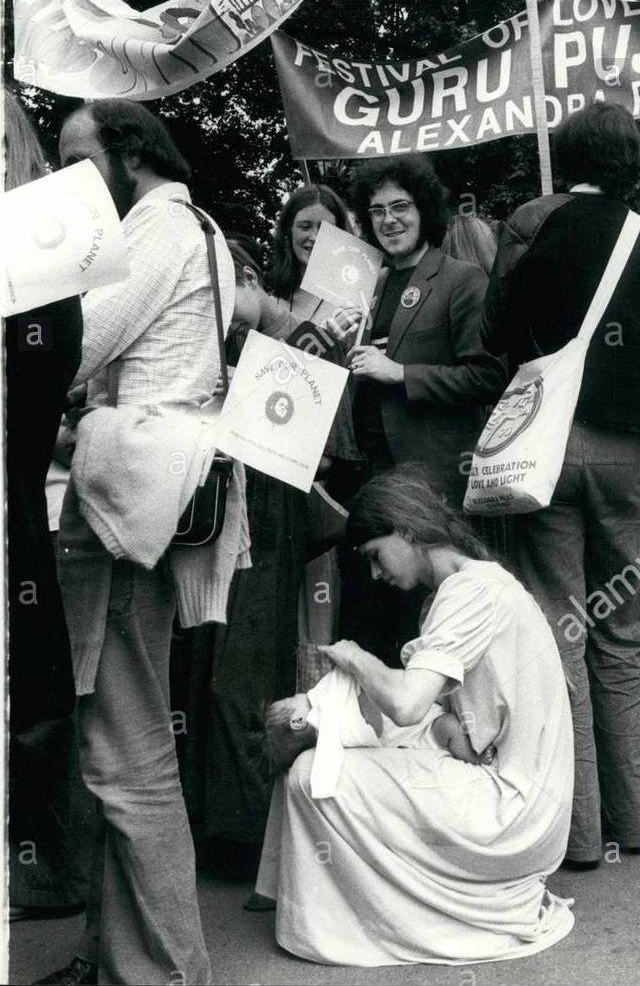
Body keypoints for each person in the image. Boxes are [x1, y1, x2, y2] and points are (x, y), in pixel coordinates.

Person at [42, 99, 241, 986]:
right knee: (116, 742)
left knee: (126, 750)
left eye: (77, 160)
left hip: (130, 505)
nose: (68, 182)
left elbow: (72, 347)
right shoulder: (197, 229)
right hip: (149, 494)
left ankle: (167, 971)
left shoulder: (156, 228)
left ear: (131, 153)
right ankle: (115, 958)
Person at [254, 469, 575, 966]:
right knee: (329, 759)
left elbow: (407, 704)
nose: (375, 573)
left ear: (406, 529)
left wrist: (356, 658)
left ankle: (338, 922)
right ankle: (334, 906)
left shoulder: (471, 593)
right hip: (518, 793)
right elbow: (448, 716)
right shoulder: (471, 587)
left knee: (311, 775)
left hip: (512, 811)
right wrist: (443, 728)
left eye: (375, 555)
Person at [481, 101, 640, 868]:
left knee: (562, 630)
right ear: (628, 162)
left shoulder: (535, 230)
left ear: (565, 159)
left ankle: (576, 831)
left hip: (547, 451)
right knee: (623, 631)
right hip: (626, 453)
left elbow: (496, 335)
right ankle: (637, 819)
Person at [173, 241, 360, 880]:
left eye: (222, 300)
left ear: (249, 278)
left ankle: (249, 839)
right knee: (218, 675)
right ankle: (222, 830)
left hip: (271, 524)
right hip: (235, 523)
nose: (217, 318)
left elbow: (331, 456)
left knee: (245, 680)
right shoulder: (244, 342)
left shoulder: (311, 339)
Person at [341, 156, 505, 666]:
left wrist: (401, 374)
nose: (388, 220)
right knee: (381, 613)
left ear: (424, 210)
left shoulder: (462, 279)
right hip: (373, 474)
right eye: (377, 211)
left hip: (434, 480)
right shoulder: (367, 287)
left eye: (400, 207)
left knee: (437, 616)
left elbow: (488, 376)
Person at [5, 94, 85, 921]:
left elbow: (46, 375)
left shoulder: (40, 255)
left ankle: (41, 870)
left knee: (28, 696)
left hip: (11, 500)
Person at [266, 183, 353, 327]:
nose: (315, 237)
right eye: (305, 227)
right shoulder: (272, 304)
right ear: (288, 231)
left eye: (326, 228)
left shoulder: (352, 301)